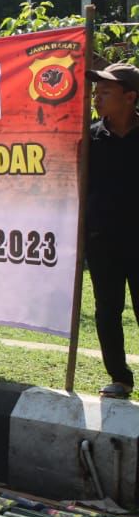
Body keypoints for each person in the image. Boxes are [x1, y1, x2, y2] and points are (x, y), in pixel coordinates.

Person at [85, 62, 139, 397]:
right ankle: (119, 378)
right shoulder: (89, 137)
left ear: (130, 97)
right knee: (107, 309)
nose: (97, 98)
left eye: (106, 92)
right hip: (102, 240)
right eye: (96, 92)